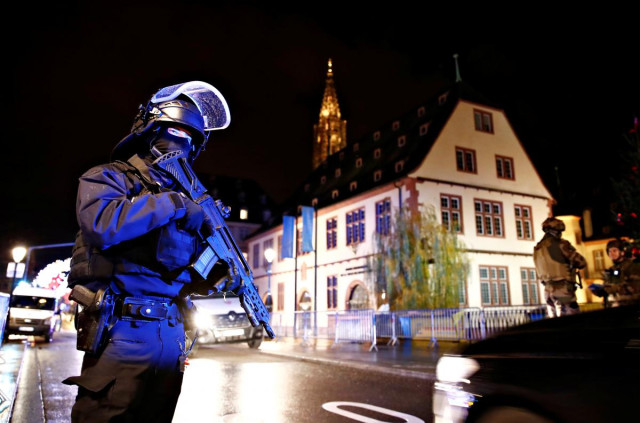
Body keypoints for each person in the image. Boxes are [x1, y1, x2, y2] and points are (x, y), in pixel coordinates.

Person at [62, 81, 234, 422]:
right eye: (175, 130)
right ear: (150, 129)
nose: (182, 141)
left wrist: (220, 273)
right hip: (123, 329)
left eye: (191, 137)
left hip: (172, 334)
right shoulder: (110, 177)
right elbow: (102, 224)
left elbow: (186, 276)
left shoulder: (191, 207)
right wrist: (174, 204)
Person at [533, 217, 587, 317]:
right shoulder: (560, 244)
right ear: (557, 231)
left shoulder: (538, 248)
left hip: (547, 290)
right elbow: (581, 262)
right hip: (563, 289)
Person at [598, 239, 640, 307]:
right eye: (609, 251)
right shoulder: (610, 270)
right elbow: (607, 290)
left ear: (622, 252)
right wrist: (600, 291)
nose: (611, 253)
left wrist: (615, 288)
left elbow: (635, 288)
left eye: (614, 250)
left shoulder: (631, 267)